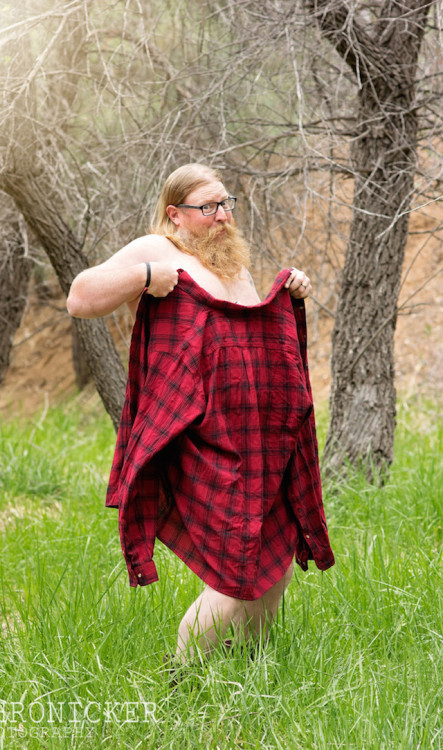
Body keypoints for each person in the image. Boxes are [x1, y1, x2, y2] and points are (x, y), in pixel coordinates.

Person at [67, 163, 334, 662]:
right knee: (235, 570)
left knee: (270, 567)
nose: (222, 216)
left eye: (226, 204)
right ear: (176, 214)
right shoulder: (159, 250)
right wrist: (146, 276)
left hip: (259, 442)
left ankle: (245, 677)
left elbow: (259, 352)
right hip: (203, 441)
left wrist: (289, 294)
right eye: (208, 207)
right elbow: (80, 298)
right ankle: (182, 682)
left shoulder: (236, 267)